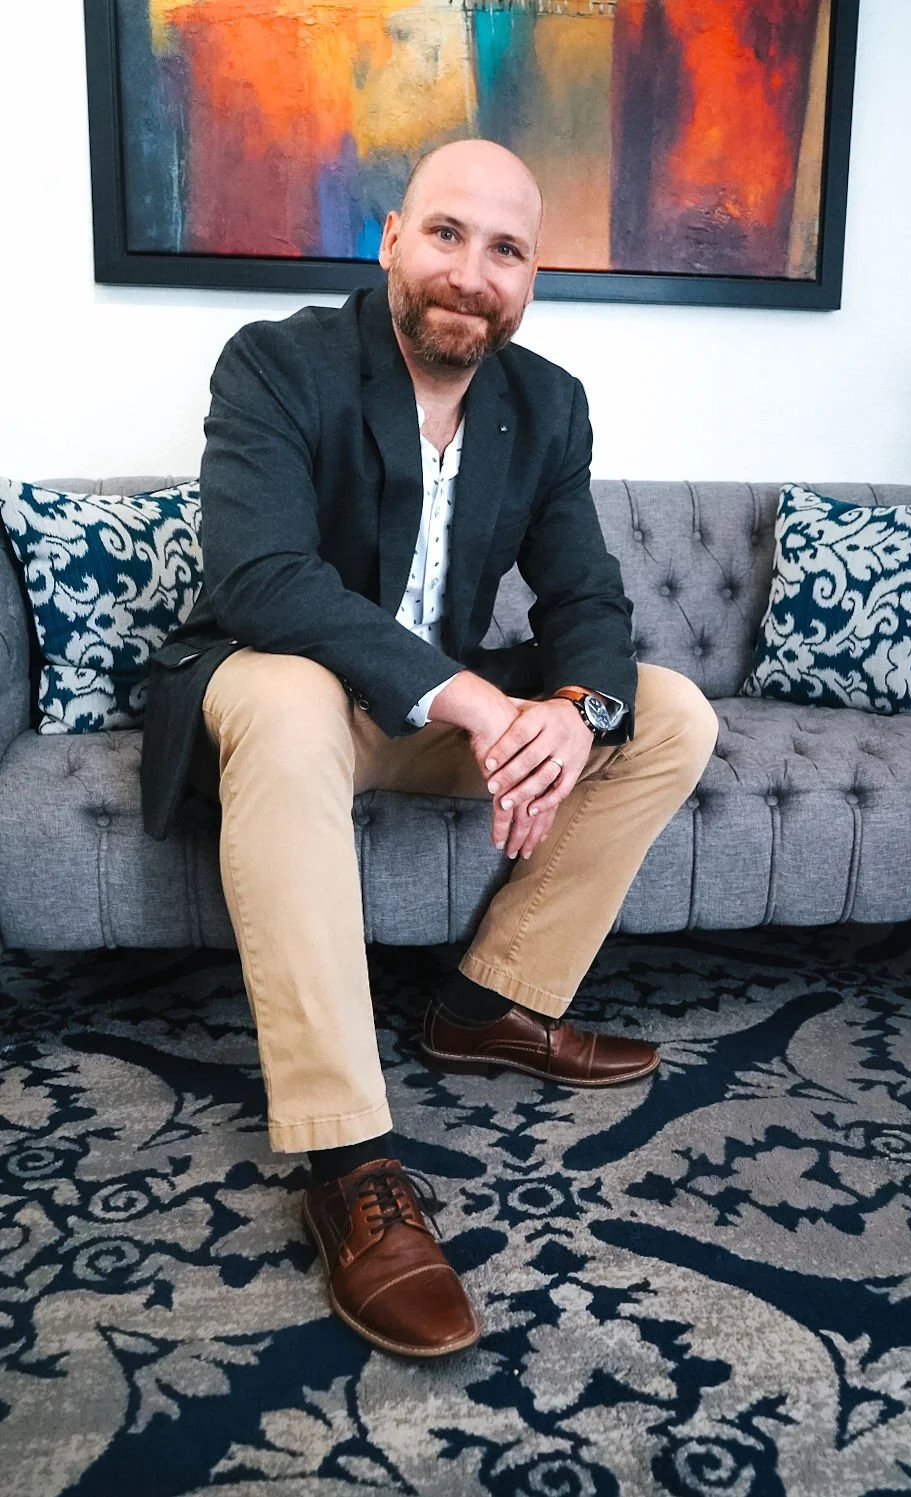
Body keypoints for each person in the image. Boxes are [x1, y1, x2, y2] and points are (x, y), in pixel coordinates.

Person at [140, 139, 718, 1360]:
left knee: (667, 708)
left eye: (505, 249)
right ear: (390, 239)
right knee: (296, 695)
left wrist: (571, 710)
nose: (472, 272)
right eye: (447, 234)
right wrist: (472, 700)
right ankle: (348, 1156)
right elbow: (264, 579)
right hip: (279, 698)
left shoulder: (546, 403)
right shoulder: (277, 363)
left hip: (422, 725)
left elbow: (587, 603)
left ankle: (492, 1001)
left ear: (531, 276)